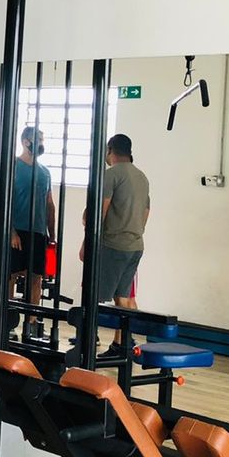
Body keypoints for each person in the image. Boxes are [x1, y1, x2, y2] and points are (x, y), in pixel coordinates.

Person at [95, 133, 151, 357]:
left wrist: (89, 242)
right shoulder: (142, 177)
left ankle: (88, 341)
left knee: (95, 295)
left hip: (114, 244)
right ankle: (121, 344)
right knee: (123, 297)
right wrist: (135, 231)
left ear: (110, 150)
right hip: (136, 245)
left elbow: (100, 211)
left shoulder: (112, 175)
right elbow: (146, 212)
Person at [9, 126, 56, 340]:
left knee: (36, 278)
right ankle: (8, 322)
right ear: (25, 141)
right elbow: (3, 201)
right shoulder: (12, 166)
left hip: (38, 232)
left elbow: (50, 204)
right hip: (17, 230)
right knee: (10, 276)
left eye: (42, 140)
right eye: (38, 139)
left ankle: (32, 323)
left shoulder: (45, 172)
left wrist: (52, 235)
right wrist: (11, 231)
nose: (41, 144)